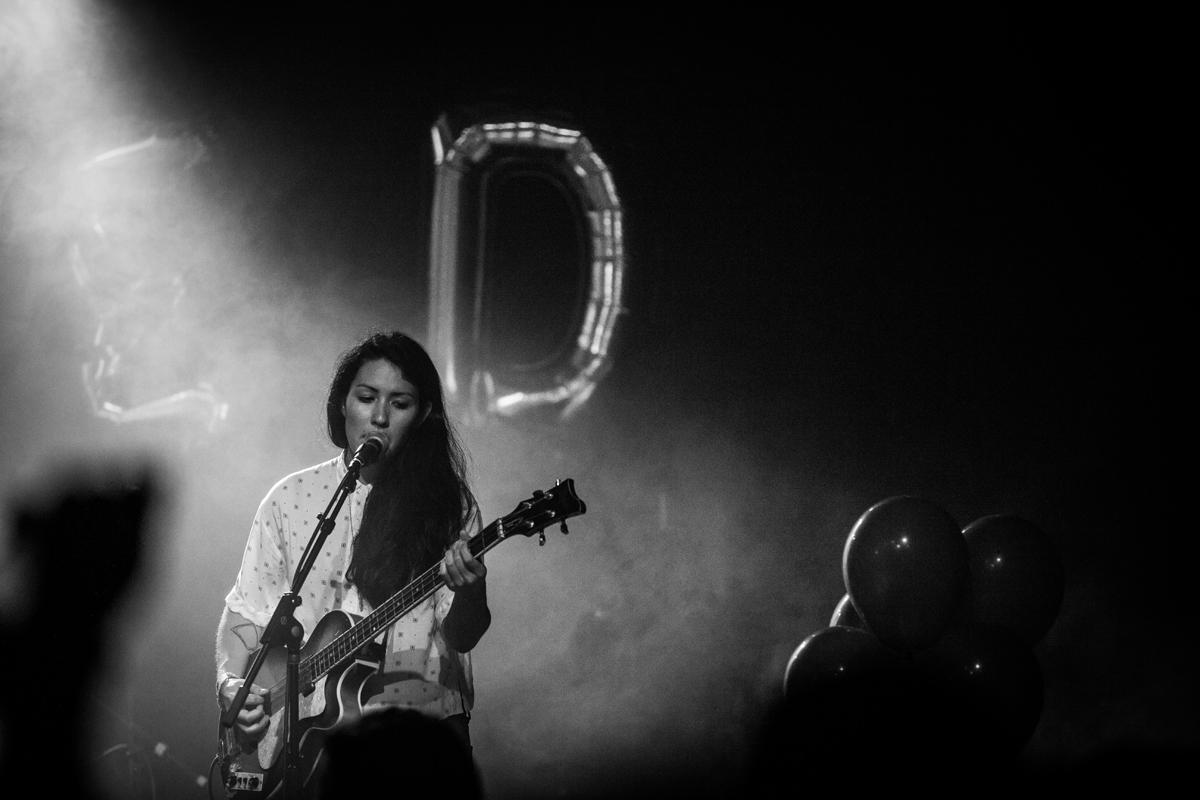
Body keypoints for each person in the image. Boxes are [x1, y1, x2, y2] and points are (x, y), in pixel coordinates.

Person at [214, 331, 489, 762]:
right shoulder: (290, 498)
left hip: (419, 740)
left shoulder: (447, 507)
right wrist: (231, 684)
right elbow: (246, 613)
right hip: (306, 750)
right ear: (342, 402)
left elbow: (462, 634)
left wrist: (472, 589)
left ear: (421, 416)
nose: (379, 417)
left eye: (400, 404)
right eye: (366, 398)